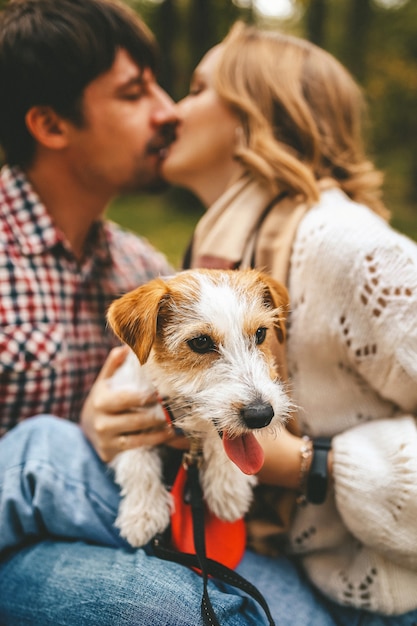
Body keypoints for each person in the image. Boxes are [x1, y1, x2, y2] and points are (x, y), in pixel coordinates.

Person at [0, 3, 281, 625]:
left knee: (279, 603)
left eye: (160, 83)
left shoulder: (141, 263)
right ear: (50, 123)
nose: (168, 109)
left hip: (126, 514)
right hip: (19, 532)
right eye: (135, 92)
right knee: (174, 610)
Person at [160, 21, 417, 626]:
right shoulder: (223, 242)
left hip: (370, 593)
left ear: (256, 117)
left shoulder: (349, 248)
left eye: (197, 89)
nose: (172, 110)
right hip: (276, 548)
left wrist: (309, 463)